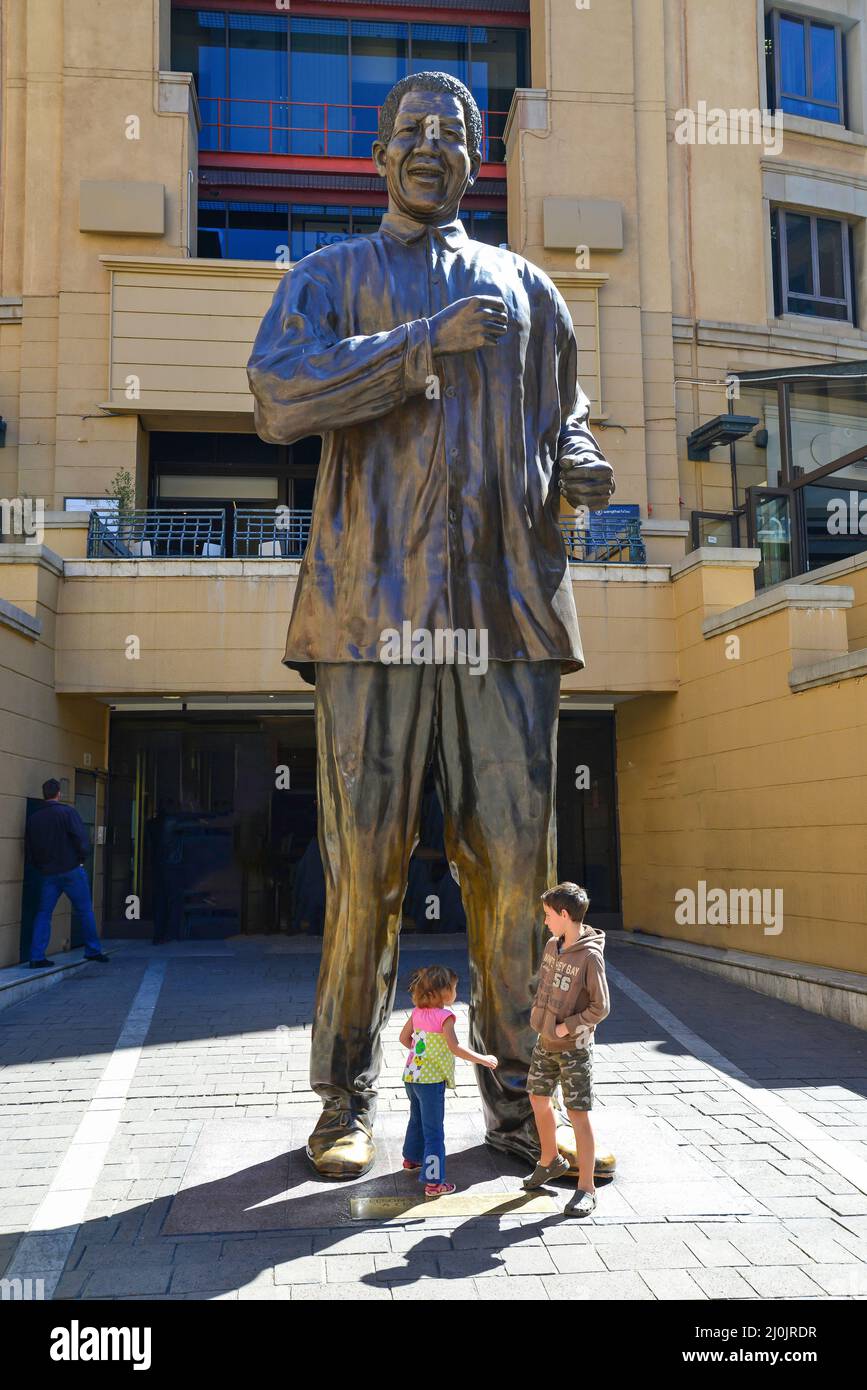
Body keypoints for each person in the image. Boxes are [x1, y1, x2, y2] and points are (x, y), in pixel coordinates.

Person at [247, 70, 616, 1180]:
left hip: (504, 617)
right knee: (365, 866)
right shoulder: (328, 277)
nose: (429, 148)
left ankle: (521, 1108)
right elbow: (279, 397)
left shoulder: (531, 289)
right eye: (410, 132)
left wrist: (579, 465)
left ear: (475, 159)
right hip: (374, 615)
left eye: (451, 134)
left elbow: (568, 414)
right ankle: (344, 1099)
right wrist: (422, 344)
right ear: (378, 156)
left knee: (518, 868)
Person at [523, 883, 609, 1216]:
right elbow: (544, 985)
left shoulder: (590, 956)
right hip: (545, 1042)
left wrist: (566, 1026)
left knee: (578, 1115)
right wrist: (540, 1018)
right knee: (537, 1098)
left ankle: (586, 1188)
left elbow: (600, 1007)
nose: (544, 921)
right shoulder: (551, 945)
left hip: (574, 1048)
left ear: (564, 915)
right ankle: (550, 1160)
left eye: (548, 915)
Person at [399, 965, 497, 1197]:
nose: (456, 992)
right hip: (431, 1082)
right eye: (453, 988)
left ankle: (411, 1159)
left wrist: (420, 1052)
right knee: (434, 1132)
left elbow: (404, 1038)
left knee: (416, 1119)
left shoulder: (416, 1013)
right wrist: (483, 1059)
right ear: (441, 992)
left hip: (412, 1076)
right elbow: (455, 1047)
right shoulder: (445, 1017)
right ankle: (434, 1182)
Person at [25, 779, 109, 966]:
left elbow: (30, 848)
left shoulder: (34, 818)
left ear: (44, 794)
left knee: (43, 913)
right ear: (59, 793)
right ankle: (93, 950)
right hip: (71, 870)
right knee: (85, 910)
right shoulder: (68, 812)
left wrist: (41, 866)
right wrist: (80, 860)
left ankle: (36, 956)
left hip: (48, 873)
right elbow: (81, 840)